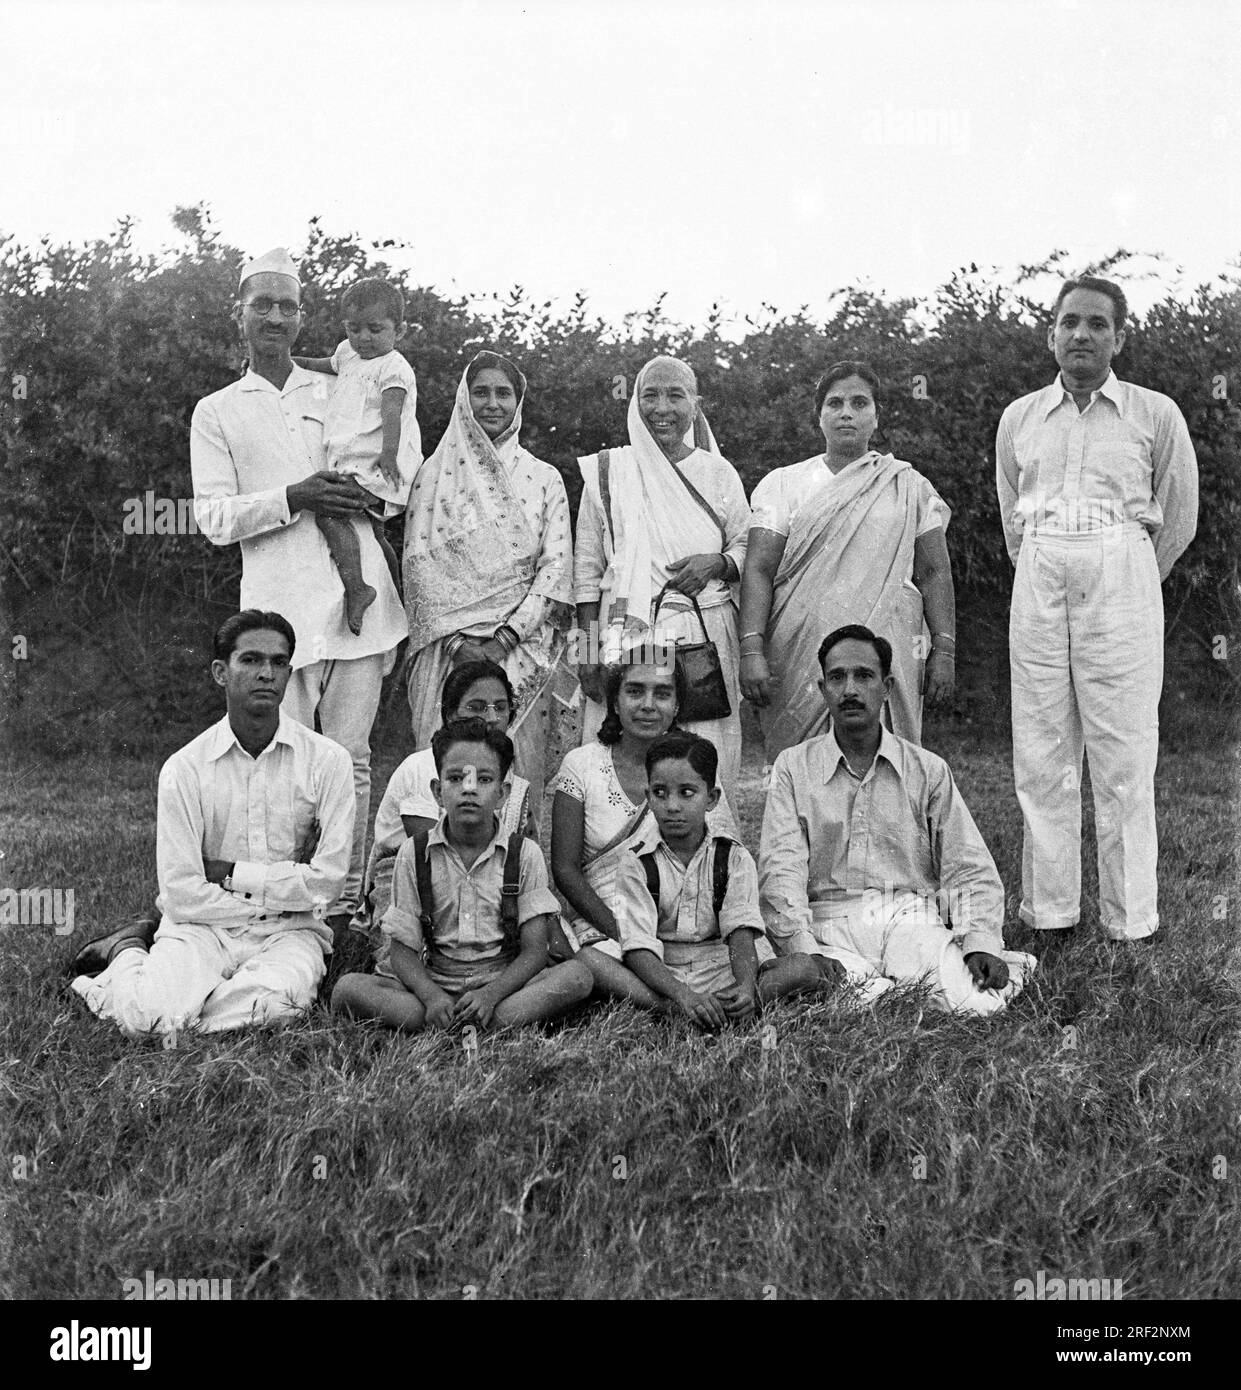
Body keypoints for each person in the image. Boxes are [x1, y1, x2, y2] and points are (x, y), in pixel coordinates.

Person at [191, 249, 416, 935]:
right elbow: (213, 519)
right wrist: (291, 496)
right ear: (240, 313)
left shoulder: (342, 380)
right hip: (276, 610)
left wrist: (375, 494)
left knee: (346, 760)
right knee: (280, 756)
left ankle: (346, 903)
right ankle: (277, 904)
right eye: (263, 304)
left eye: (288, 306)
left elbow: (397, 466)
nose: (276, 317)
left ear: (303, 317)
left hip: (358, 604)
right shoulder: (218, 411)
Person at [996, 276, 1198, 943]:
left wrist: (1130, 568)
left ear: (1117, 336)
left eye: (1096, 324)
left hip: (1121, 574)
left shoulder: (1153, 413)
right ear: (1050, 332)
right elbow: (1011, 517)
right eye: (1068, 322)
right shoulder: (1020, 417)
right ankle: (1050, 913)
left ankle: (1129, 919)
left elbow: (1177, 515)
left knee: (1122, 753)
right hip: (1040, 572)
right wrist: (1046, 560)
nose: (1080, 334)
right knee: (1042, 748)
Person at [69, 612, 354, 1037]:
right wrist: (280, 894)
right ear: (221, 672)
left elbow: (328, 883)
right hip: (202, 927)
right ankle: (127, 952)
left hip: (289, 933)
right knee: (146, 1020)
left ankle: (175, 1005)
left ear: (290, 673)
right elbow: (182, 892)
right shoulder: (185, 769)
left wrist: (231, 874)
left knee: (272, 1008)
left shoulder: (329, 761)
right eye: (251, 660)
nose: (266, 674)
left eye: (278, 663)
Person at [759, 625, 1035, 1015]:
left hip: (907, 917)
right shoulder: (793, 767)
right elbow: (780, 870)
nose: (850, 690)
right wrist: (804, 952)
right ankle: (852, 980)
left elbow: (968, 866)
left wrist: (980, 942)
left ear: (887, 686)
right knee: (838, 991)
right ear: (822, 690)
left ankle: (883, 982)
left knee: (972, 1005)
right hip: (828, 922)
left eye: (864, 676)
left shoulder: (926, 769)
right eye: (837, 678)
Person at [740, 362, 956, 762]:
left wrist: (945, 650)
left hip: (888, 644)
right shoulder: (784, 483)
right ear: (819, 415)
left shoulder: (909, 485)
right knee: (801, 765)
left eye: (859, 403)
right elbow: (759, 569)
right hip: (801, 650)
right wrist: (751, 650)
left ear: (876, 416)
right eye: (834, 403)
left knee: (890, 759)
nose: (846, 412)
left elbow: (933, 572)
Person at [331, 719, 592, 1031]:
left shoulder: (525, 854)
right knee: (348, 989)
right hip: (436, 984)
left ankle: (471, 1022)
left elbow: (535, 950)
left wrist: (491, 994)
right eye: (456, 778)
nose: (469, 789)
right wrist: (431, 997)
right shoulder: (414, 853)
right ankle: (474, 1024)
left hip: (503, 985)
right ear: (438, 791)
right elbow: (402, 953)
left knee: (578, 976)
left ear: (503, 793)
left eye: (483, 779)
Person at [573, 356, 750, 807]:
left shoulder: (718, 472)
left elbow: (748, 551)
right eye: (649, 394)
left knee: (702, 756)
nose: (662, 407)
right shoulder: (609, 473)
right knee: (620, 758)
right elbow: (588, 575)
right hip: (623, 634)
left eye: (675, 395)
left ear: (696, 404)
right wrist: (589, 657)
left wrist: (717, 562)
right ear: (635, 403)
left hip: (702, 634)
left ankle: (705, 859)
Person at [403, 350, 572, 815]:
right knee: (448, 773)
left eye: (503, 393)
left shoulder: (544, 478)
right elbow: (419, 568)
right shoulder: (432, 475)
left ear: (518, 402)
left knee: (519, 779)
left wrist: (503, 641)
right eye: (481, 392)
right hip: (447, 651)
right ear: (464, 398)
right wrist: (462, 643)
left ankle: (516, 879)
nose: (492, 403)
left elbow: (555, 570)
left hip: (523, 649)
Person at [614, 731, 821, 1028]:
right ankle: (679, 1008)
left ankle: (726, 1005)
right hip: (663, 973)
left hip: (721, 966)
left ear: (711, 799)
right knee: (593, 963)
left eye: (687, 793)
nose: (672, 806)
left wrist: (746, 986)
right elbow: (638, 948)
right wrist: (683, 994)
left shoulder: (732, 857)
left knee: (803, 968)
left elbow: (740, 932)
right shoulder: (635, 862)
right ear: (648, 797)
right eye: (660, 793)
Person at [360, 660, 534, 942]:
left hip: (492, 881)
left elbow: (524, 860)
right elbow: (432, 858)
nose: (491, 718)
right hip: (414, 881)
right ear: (450, 714)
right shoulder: (422, 766)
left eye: (500, 708)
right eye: (476, 707)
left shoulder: (511, 781)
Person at [550, 659, 689, 1009]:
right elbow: (565, 870)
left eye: (662, 694)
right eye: (635, 691)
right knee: (587, 962)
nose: (647, 705)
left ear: (677, 706)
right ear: (614, 702)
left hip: (675, 921)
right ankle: (667, 1005)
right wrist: (623, 933)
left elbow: (717, 852)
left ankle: (662, 990)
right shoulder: (582, 764)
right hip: (606, 922)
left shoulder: (693, 764)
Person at [294, 277, 421, 635]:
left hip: (376, 464)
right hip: (356, 461)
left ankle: (358, 588)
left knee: (329, 513)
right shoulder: (349, 354)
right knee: (376, 532)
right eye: (354, 328)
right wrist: (292, 363)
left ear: (400, 330)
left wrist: (389, 455)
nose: (363, 337)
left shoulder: (394, 366)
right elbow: (326, 364)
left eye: (375, 329)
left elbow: (393, 413)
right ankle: (397, 591)